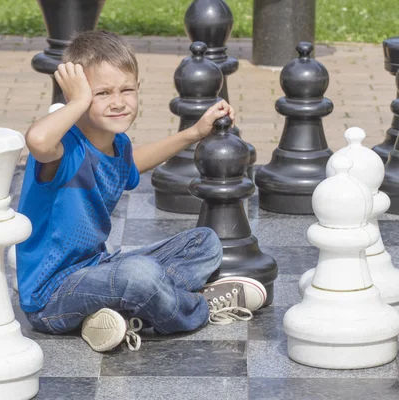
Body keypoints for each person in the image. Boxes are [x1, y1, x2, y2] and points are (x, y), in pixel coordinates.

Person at [16, 30, 266, 353]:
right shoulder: (65, 147)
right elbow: (36, 141)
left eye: (126, 90)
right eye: (102, 93)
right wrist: (76, 102)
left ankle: (118, 314)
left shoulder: (117, 145)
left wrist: (193, 133)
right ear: (76, 95)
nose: (118, 102)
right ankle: (198, 308)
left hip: (97, 269)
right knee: (139, 275)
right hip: (50, 296)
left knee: (204, 243)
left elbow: (133, 163)